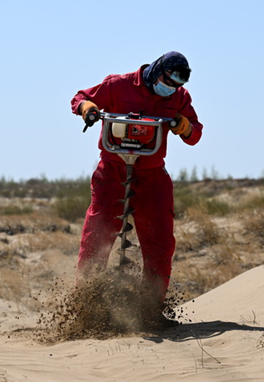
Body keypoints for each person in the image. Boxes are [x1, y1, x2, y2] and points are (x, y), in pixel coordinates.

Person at [71, 51, 203, 323]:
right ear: (156, 72)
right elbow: (80, 98)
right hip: (112, 169)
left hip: (152, 174)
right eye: (168, 82)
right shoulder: (117, 85)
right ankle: (84, 308)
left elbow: (195, 135)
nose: (170, 89)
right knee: (96, 235)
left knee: (160, 242)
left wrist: (184, 125)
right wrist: (88, 109)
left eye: (177, 86)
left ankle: (151, 310)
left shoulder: (179, 97)